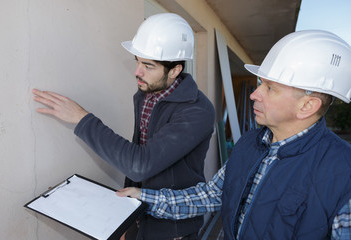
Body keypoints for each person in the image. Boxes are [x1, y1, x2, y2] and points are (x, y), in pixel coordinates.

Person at [117, 30, 351, 239]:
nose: (254, 94)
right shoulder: (251, 143)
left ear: (307, 106)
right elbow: (212, 195)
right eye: (261, 83)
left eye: (270, 88)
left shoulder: (343, 173)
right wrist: (145, 198)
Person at [32, 13, 215, 240]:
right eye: (138, 61)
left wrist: (82, 119)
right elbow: (138, 157)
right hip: (141, 214)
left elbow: (140, 163)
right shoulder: (146, 94)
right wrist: (127, 220)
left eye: (148, 66)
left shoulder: (197, 111)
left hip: (173, 229)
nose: (138, 72)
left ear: (175, 70)